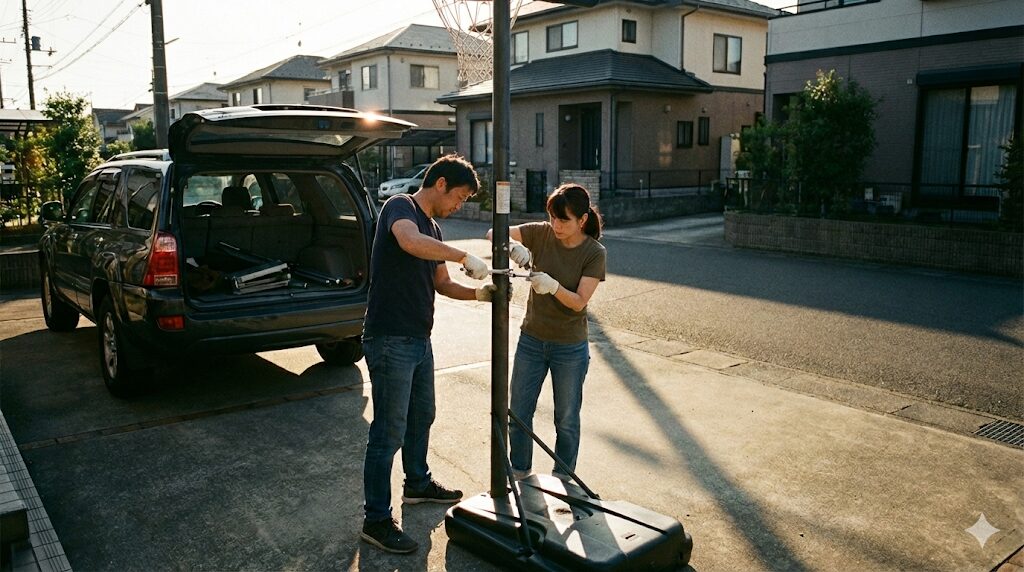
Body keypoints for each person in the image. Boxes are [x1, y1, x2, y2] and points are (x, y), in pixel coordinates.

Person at [360, 154, 494, 554]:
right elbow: (408, 242)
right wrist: (460, 254)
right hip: (389, 339)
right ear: (440, 184)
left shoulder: (433, 226)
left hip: (419, 338)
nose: (459, 206)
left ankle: (417, 482)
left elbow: (442, 283)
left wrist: (480, 294)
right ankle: (377, 520)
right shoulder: (400, 207)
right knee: (388, 432)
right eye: (459, 197)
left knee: (423, 415)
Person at [488, 183, 606, 481]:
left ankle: (563, 476)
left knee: (565, 418)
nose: (556, 225)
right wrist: (512, 248)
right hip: (532, 339)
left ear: (582, 220)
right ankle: (520, 470)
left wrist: (553, 287)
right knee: (518, 412)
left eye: (563, 219)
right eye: (552, 217)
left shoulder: (594, 253)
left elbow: (579, 302)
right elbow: (493, 232)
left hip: (569, 347)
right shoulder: (542, 232)